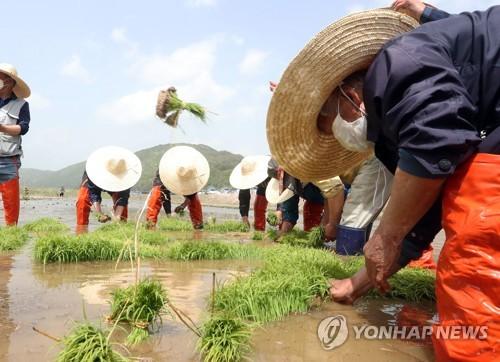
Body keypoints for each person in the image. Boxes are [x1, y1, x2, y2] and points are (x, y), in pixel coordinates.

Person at [267, 2, 499, 360]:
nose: (333, 132)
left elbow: (434, 144)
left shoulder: (395, 64)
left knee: (477, 243)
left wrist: (385, 236)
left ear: (351, 95)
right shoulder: (396, 129)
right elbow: (427, 207)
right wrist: (358, 282)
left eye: (328, 120)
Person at [76, 146, 142, 233]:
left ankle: (121, 232)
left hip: (119, 180)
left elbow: (122, 199)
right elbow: (94, 194)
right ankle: (81, 232)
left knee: (122, 211)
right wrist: (99, 214)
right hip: (96, 177)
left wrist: (117, 217)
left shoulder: (125, 175)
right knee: (82, 200)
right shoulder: (93, 171)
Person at [0, 64, 31, 226]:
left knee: (10, 202)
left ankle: (11, 235)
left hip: (8, 159)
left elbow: (23, 128)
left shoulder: (21, 104)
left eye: (2, 77)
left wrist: (3, 128)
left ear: (10, 82)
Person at [157, 145, 210, 230]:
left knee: (194, 201)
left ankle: (198, 226)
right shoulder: (165, 170)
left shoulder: (191, 170)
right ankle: (150, 225)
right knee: (156, 195)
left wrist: (183, 206)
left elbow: (191, 196)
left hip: (189, 176)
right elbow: (164, 195)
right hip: (162, 179)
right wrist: (169, 214)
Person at [230, 155, 271, 231]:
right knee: (258, 207)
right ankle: (259, 230)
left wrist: (279, 211)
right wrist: (244, 217)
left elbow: (282, 194)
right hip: (263, 187)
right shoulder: (247, 171)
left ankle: (284, 231)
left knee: (283, 213)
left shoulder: (271, 170)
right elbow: (243, 196)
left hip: (280, 184)